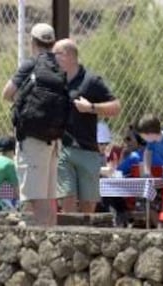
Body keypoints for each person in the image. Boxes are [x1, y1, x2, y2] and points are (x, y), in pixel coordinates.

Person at [2, 23, 64, 226]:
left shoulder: (31, 65)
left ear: (32, 42)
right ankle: (51, 237)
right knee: (48, 197)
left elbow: (7, 93)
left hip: (32, 141)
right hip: (53, 141)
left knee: (36, 200)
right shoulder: (60, 67)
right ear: (52, 43)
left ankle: (42, 243)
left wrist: (25, 103)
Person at [53, 38, 121, 213]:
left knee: (88, 207)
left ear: (69, 56)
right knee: (67, 200)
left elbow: (116, 107)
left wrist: (91, 108)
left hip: (88, 150)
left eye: (56, 54)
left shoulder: (91, 81)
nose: (52, 58)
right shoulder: (55, 81)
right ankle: (65, 239)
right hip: (63, 150)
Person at [135, 113, 163, 178]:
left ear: (150, 134)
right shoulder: (152, 142)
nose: (142, 138)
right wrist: (147, 171)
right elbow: (147, 153)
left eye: (142, 136)